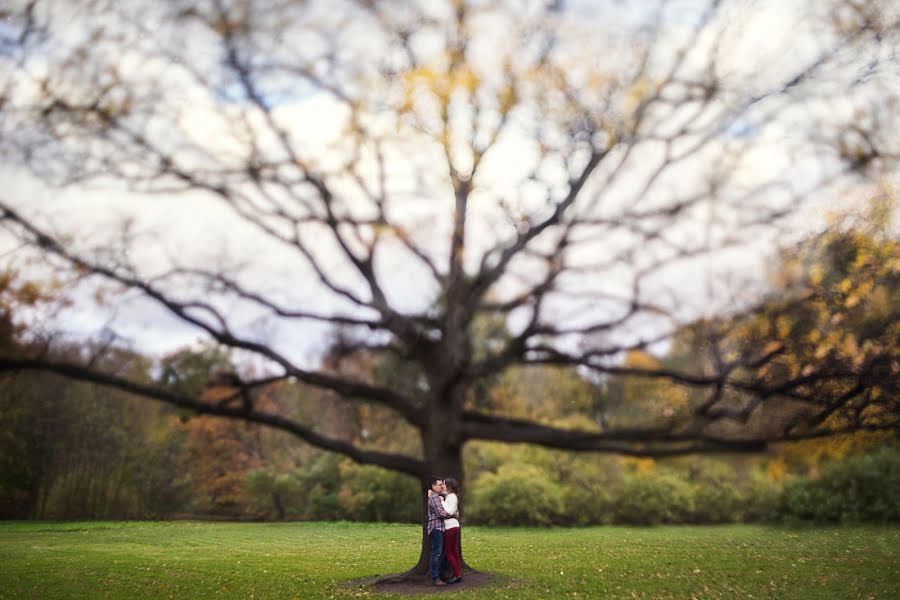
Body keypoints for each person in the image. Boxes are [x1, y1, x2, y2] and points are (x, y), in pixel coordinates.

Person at [426, 476, 456, 586]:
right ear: (433, 486)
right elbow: (440, 513)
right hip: (436, 528)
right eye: (439, 485)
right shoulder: (434, 497)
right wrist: (454, 515)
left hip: (440, 528)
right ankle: (435, 578)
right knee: (437, 553)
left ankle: (442, 575)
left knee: (442, 553)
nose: (442, 486)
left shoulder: (436, 496)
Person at [441, 477, 462, 585]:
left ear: (449, 486)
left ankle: (457, 575)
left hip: (450, 527)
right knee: (453, 551)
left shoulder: (451, 497)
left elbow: (449, 511)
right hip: (453, 526)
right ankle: (457, 573)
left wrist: (441, 502)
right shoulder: (450, 496)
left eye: (444, 484)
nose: (442, 486)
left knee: (448, 552)